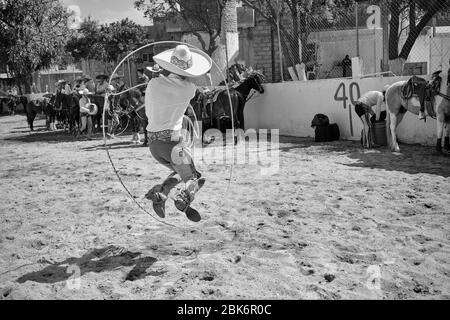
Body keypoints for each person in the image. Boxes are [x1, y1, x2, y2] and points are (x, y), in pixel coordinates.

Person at [144, 44, 212, 222]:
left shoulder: (153, 83)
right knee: (194, 177)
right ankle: (183, 198)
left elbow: (148, 111)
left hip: (153, 144)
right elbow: (184, 84)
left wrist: (157, 77)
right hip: (173, 143)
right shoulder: (189, 89)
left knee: (179, 172)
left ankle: (162, 193)